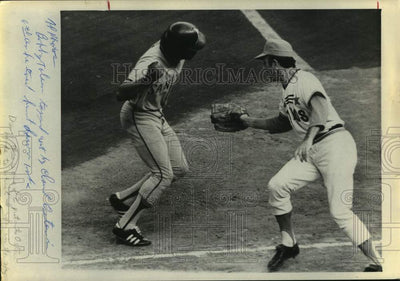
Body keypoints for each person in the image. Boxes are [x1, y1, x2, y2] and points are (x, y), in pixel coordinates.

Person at [239, 38, 382, 272]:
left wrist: (307, 140)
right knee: (277, 186)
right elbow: (281, 122)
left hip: (336, 147)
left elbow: (321, 110)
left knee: (340, 211)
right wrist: (248, 122)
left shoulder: (305, 79)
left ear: (275, 63)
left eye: (266, 63)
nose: (265, 68)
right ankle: (289, 244)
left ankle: (379, 263)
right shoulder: (286, 90)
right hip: (313, 151)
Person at [109, 22, 206, 246]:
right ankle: (125, 227)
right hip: (139, 117)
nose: (195, 52)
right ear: (179, 49)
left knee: (179, 169)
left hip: (156, 115)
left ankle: (121, 198)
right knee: (163, 175)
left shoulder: (176, 51)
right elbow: (120, 93)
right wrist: (147, 80)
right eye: (192, 48)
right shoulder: (150, 64)